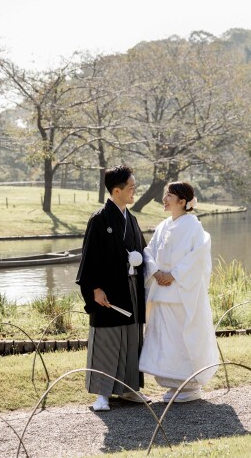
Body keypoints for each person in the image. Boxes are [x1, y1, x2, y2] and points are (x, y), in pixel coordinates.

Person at [75, 165, 150, 411]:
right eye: (131, 188)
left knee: (130, 339)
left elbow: (143, 250)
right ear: (116, 191)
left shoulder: (132, 219)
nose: (134, 192)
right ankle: (102, 395)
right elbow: (89, 258)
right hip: (107, 290)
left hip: (130, 288)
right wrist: (94, 288)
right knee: (107, 340)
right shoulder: (99, 220)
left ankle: (129, 390)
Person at [139, 181, 219, 402]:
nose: (164, 198)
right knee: (164, 340)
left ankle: (190, 385)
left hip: (182, 294)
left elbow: (198, 257)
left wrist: (173, 274)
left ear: (182, 202)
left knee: (183, 339)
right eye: (165, 194)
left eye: (169, 195)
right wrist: (156, 272)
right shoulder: (163, 225)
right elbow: (149, 251)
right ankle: (173, 384)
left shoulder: (194, 226)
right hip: (162, 294)